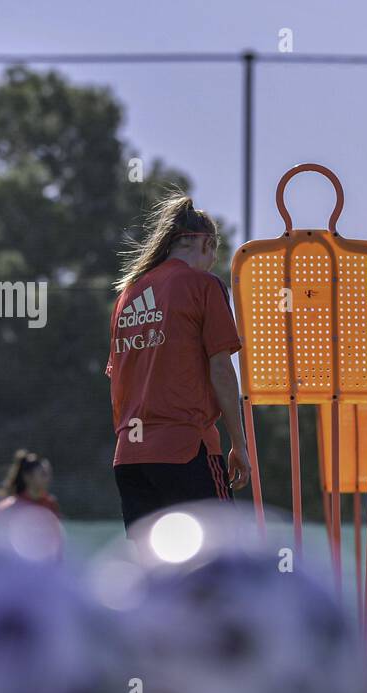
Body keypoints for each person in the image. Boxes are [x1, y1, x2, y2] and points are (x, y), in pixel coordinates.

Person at [107, 191, 251, 531]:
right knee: (221, 559)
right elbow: (221, 369)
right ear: (203, 243)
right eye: (214, 252)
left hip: (130, 457)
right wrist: (239, 444)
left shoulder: (127, 295)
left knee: (156, 573)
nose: (212, 262)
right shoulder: (202, 285)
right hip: (185, 448)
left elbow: (117, 380)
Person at [0, 449, 61, 517]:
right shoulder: (10, 506)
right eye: (43, 474)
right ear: (27, 477)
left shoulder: (50, 504)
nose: (48, 478)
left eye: (49, 474)